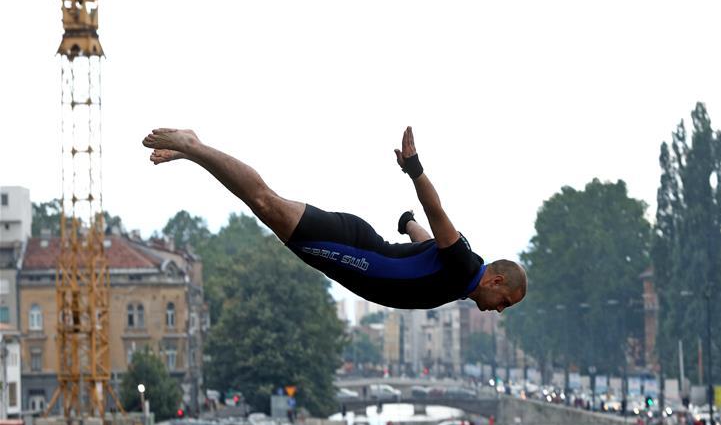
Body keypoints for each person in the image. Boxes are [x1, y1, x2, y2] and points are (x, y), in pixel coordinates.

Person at [142, 127, 527, 312]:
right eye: (505, 301)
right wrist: (414, 169)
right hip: (350, 250)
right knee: (264, 202)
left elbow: (426, 240)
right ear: (496, 280)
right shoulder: (465, 266)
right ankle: (195, 146)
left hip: (352, 250)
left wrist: (406, 223)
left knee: (265, 205)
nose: (500, 309)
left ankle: (196, 153)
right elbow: (438, 214)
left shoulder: (460, 275)